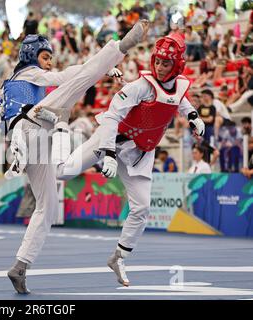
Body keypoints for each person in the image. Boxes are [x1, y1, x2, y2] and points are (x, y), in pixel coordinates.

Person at [0, 21, 150, 294]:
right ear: (31, 56)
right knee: (76, 85)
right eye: (45, 57)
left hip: (29, 140)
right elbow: (65, 77)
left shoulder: (9, 86)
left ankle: (20, 266)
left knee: (49, 207)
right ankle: (121, 46)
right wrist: (100, 69)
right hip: (32, 126)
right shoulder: (29, 74)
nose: (47, 63)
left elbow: (4, 121)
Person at [47, 33, 205, 287]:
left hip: (140, 152)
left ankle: (119, 256)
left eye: (166, 63)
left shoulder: (181, 85)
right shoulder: (140, 86)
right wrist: (108, 153)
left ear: (176, 66)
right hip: (111, 139)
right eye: (158, 61)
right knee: (62, 172)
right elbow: (111, 117)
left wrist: (194, 117)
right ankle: (61, 127)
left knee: (141, 208)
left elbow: (180, 100)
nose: (160, 67)